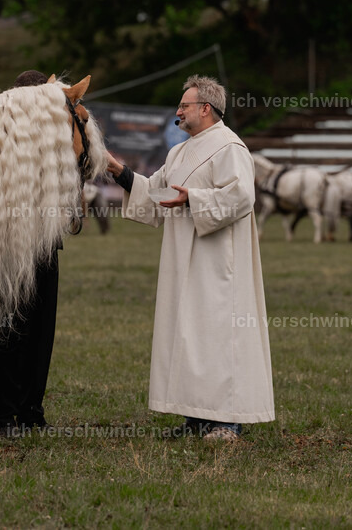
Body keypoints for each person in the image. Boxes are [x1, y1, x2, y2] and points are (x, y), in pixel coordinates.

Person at [105, 76, 274, 441]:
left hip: (218, 263)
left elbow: (243, 196)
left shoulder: (231, 147)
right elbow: (155, 190)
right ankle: (197, 418)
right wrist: (118, 170)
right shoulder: (179, 152)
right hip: (183, 261)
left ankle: (226, 422)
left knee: (217, 334)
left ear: (205, 108)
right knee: (188, 335)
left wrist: (193, 200)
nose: (178, 111)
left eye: (184, 105)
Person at [0, 70, 61, 437]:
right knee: (11, 326)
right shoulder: (0, 132)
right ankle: (3, 412)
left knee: (42, 329)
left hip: (46, 240)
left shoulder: (52, 135)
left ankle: (32, 409)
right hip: (14, 241)